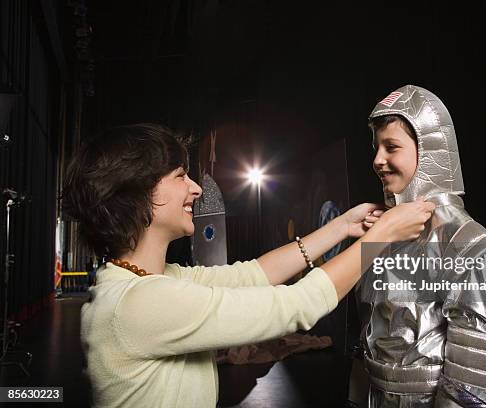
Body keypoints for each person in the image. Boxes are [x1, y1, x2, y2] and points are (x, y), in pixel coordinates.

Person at [61, 123, 435, 408]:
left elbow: (253, 274)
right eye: (180, 177)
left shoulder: (147, 281)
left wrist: (342, 227)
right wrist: (380, 237)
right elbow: (296, 306)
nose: (194, 189)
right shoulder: (139, 303)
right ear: (138, 193)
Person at [357, 85, 486, 407]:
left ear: (429, 152)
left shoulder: (457, 238)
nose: (377, 160)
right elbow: (372, 333)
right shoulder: (387, 231)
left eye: (391, 147)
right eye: (376, 147)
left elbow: (479, 350)